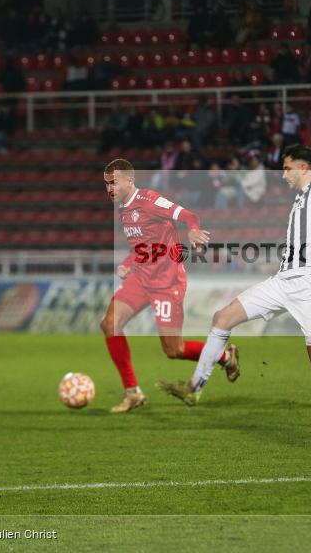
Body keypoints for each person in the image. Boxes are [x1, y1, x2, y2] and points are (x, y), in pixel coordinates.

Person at [157, 120, 311, 405]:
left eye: (287, 167)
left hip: (309, 284)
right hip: (282, 281)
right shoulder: (300, 199)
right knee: (221, 318)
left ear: (304, 168)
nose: (283, 174)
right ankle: (195, 388)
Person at [99, 159, 238, 413]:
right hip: (140, 278)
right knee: (110, 324)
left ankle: (225, 356)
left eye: (114, 183)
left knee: (174, 350)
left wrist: (193, 231)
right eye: (107, 184)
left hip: (166, 282)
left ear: (130, 181)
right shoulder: (123, 209)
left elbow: (188, 215)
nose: (110, 188)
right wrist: (129, 262)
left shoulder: (150, 200)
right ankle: (132, 393)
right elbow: (142, 243)